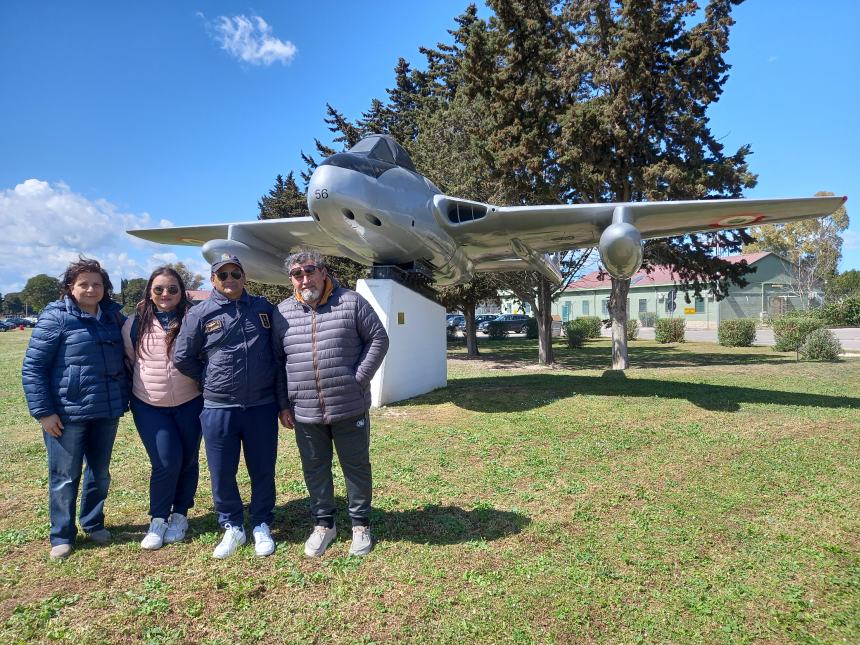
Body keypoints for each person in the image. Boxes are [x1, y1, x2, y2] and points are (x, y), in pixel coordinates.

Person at [272, 249, 388, 557]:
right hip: (305, 410)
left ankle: (360, 525)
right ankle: (324, 524)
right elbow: (277, 361)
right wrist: (284, 403)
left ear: (324, 272)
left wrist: (358, 378)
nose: (304, 278)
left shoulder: (350, 302)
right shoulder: (281, 312)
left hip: (348, 405)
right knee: (314, 467)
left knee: (356, 466)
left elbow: (379, 338)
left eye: (310, 271)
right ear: (291, 280)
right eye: (297, 274)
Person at [22, 257, 130, 560]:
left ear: (105, 288)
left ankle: (93, 522)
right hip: (67, 414)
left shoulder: (112, 317)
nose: (91, 289)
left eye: (97, 284)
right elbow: (33, 368)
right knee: (64, 476)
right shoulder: (55, 317)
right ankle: (62, 534)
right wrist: (44, 412)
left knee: (100, 473)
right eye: (84, 284)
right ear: (71, 287)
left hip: (106, 409)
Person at [173, 255, 280, 559]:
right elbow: (182, 356)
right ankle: (232, 524)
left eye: (235, 273)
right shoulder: (200, 313)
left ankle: (261, 522)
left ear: (245, 276)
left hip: (261, 405)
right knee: (222, 472)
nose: (230, 279)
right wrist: (208, 379)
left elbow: (276, 350)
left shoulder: (263, 308)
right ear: (213, 280)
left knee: (262, 469)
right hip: (219, 406)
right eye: (223, 275)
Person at [122, 267, 202, 550]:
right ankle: (158, 518)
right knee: (166, 462)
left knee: (188, 460)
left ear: (182, 292)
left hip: (190, 402)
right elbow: (131, 361)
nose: (165, 294)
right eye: (159, 289)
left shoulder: (194, 319)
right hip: (150, 405)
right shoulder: (133, 324)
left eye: (172, 289)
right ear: (149, 293)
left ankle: (180, 514)